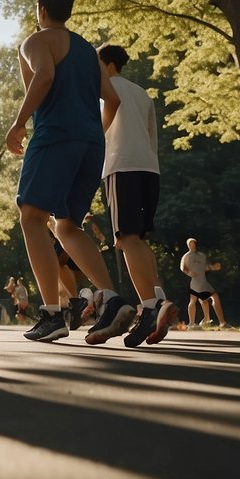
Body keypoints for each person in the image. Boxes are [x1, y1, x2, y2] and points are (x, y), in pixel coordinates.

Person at [5, 0, 134, 344]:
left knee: (31, 216)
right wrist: (94, 133)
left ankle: (50, 313)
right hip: (90, 143)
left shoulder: (36, 40)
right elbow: (112, 99)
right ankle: (110, 299)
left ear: (41, 10)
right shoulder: (87, 51)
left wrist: (18, 123)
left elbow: (44, 75)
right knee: (66, 227)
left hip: (56, 135)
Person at [97, 43, 178, 345]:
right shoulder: (142, 93)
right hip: (148, 168)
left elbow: (99, 131)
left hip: (122, 166)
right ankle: (153, 305)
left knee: (127, 238)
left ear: (107, 64)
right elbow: (151, 134)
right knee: (134, 239)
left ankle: (154, 303)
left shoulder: (104, 91)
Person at [180, 238, 231, 329]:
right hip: (195, 281)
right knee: (195, 300)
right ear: (188, 245)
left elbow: (205, 267)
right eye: (190, 244)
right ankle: (192, 323)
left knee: (209, 298)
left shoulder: (202, 256)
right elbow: (183, 267)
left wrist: (213, 268)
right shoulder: (186, 256)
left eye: (193, 243)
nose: (192, 245)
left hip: (203, 281)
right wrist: (189, 273)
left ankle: (218, 322)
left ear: (195, 244)